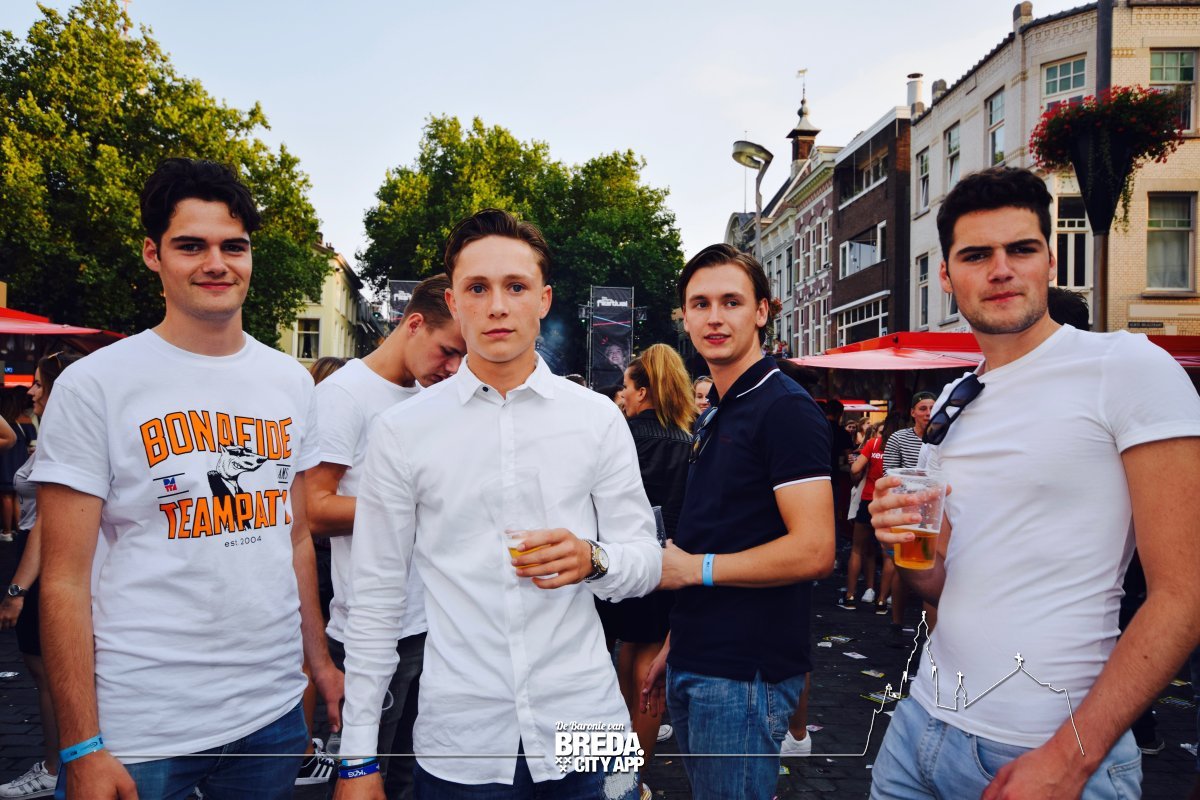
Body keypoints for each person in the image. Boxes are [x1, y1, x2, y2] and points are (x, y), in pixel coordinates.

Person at [868, 166, 1200, 800]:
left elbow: (1184, 595)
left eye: (1020, 249)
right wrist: (908, 546)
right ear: (947, 277)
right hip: (919, 727)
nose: (1000, 270)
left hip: (1048, 748)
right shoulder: (956, 399)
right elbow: (941, 585)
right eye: (976, 255)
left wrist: (1069, 759)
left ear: (1050, 260)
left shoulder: (1125, 366)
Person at [33, 158, 343, 798]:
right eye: (191, 246)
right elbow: (63, 579)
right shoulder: (96, 385)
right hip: (141, 725)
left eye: (234, 246)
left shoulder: (290, 383)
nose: (217, 264)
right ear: (154, 254)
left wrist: (318, 665)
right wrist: (80, 745)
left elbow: (293, 539)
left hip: (271, 713)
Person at [334, 209, 660, 800]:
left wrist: (593, 559)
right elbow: (376, 596)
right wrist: (358, 759)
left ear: (544, 299)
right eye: (478, 288)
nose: (497, 306)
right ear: (453, 302)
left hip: (587, 717)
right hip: (462, 735)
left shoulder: (595, 418)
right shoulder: (402, 431)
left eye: (515, 286)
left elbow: (644, 559)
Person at [644, 243, 834, 800]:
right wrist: (677, 641)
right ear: (684, 317)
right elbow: (720, 531)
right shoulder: (722, 409)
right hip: (703, 657)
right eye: (700, 304)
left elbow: (815, 549)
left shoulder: (783, 408)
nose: (715, 317)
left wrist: (693, 570)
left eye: (731, 301)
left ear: (762, 312)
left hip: (743, 674)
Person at [306, 273, 464, 798]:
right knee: (363, 777)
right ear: (414, 324)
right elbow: (313, 509)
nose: (453, 368)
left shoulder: (428, 397)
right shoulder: (343, 395)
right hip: (373, 629)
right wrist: (411, 507)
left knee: (411, 777)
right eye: (448, 351)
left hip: (432, 620)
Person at [600, 343, 693, 800]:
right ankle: (631, 783)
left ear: (642, 391)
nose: (623, 395)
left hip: (613, 562)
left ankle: (613, 772)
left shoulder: (618, 436)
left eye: (626, 387)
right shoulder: (691, 443)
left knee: (620, 659)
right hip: (665, 564)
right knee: (650, 671)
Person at [0, 352, 82, 799]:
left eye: (38, 382)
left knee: (50, 670)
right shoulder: (53, 430)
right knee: (46, 669)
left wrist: (17, 589)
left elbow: (48, 519)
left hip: (48, 559)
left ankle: (57, 766)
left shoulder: (65, 434)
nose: (30, 390)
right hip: (44, 555)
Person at [843, 421, 883, 610]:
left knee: (858, 549)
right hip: (889, 501)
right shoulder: (903, 444)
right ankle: (881, 599)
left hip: (868, 500)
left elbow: (855, 471)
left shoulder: (873, 444)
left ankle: (850, 596)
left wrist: (856, 464)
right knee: (885, 553)